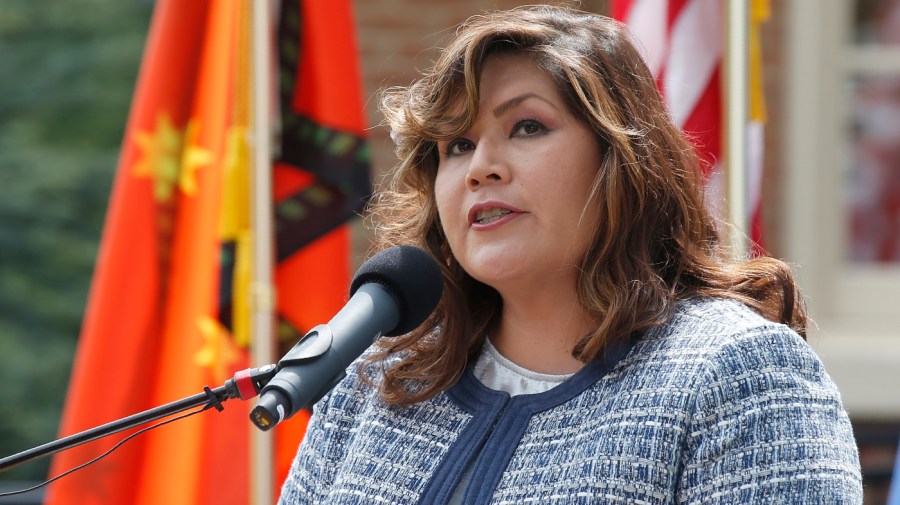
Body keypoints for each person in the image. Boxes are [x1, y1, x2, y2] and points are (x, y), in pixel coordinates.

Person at [278, 5, 863, 504]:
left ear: (620, 163)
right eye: (457, 144)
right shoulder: (376, 382)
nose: (482, 167)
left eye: (527, 127)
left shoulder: (734, 373)